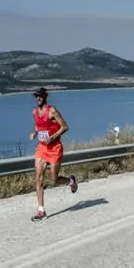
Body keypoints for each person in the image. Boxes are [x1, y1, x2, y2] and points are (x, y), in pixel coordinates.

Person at [29, 87, 78, 220]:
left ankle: (71, 181)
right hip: (42, 148)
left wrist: (53, 136)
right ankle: (41, 210)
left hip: (55, 148)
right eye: (36, 96)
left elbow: (65, 126)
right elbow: (38, 125)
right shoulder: (34, 112)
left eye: (40, 96)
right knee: (38, 178)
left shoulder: (52, 111)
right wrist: (34, 132)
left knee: (53, 180)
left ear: (45, 96)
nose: (37, 98)